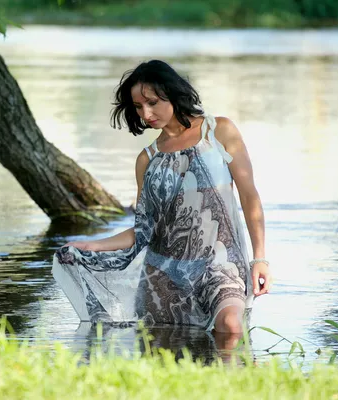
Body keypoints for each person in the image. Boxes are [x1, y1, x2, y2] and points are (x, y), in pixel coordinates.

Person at [53, 59, 271, 341]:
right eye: (138, 107)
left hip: (221, 265)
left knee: (230, 325)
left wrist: (260, 258)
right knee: (167, 352)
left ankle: (232, 382)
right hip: (164, 276)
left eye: (153, 102)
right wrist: (91, 244)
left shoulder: (219, 131)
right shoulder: (147, 159)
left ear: (173, 92)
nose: (146, 113)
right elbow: (144, 230)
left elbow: (249, 195)